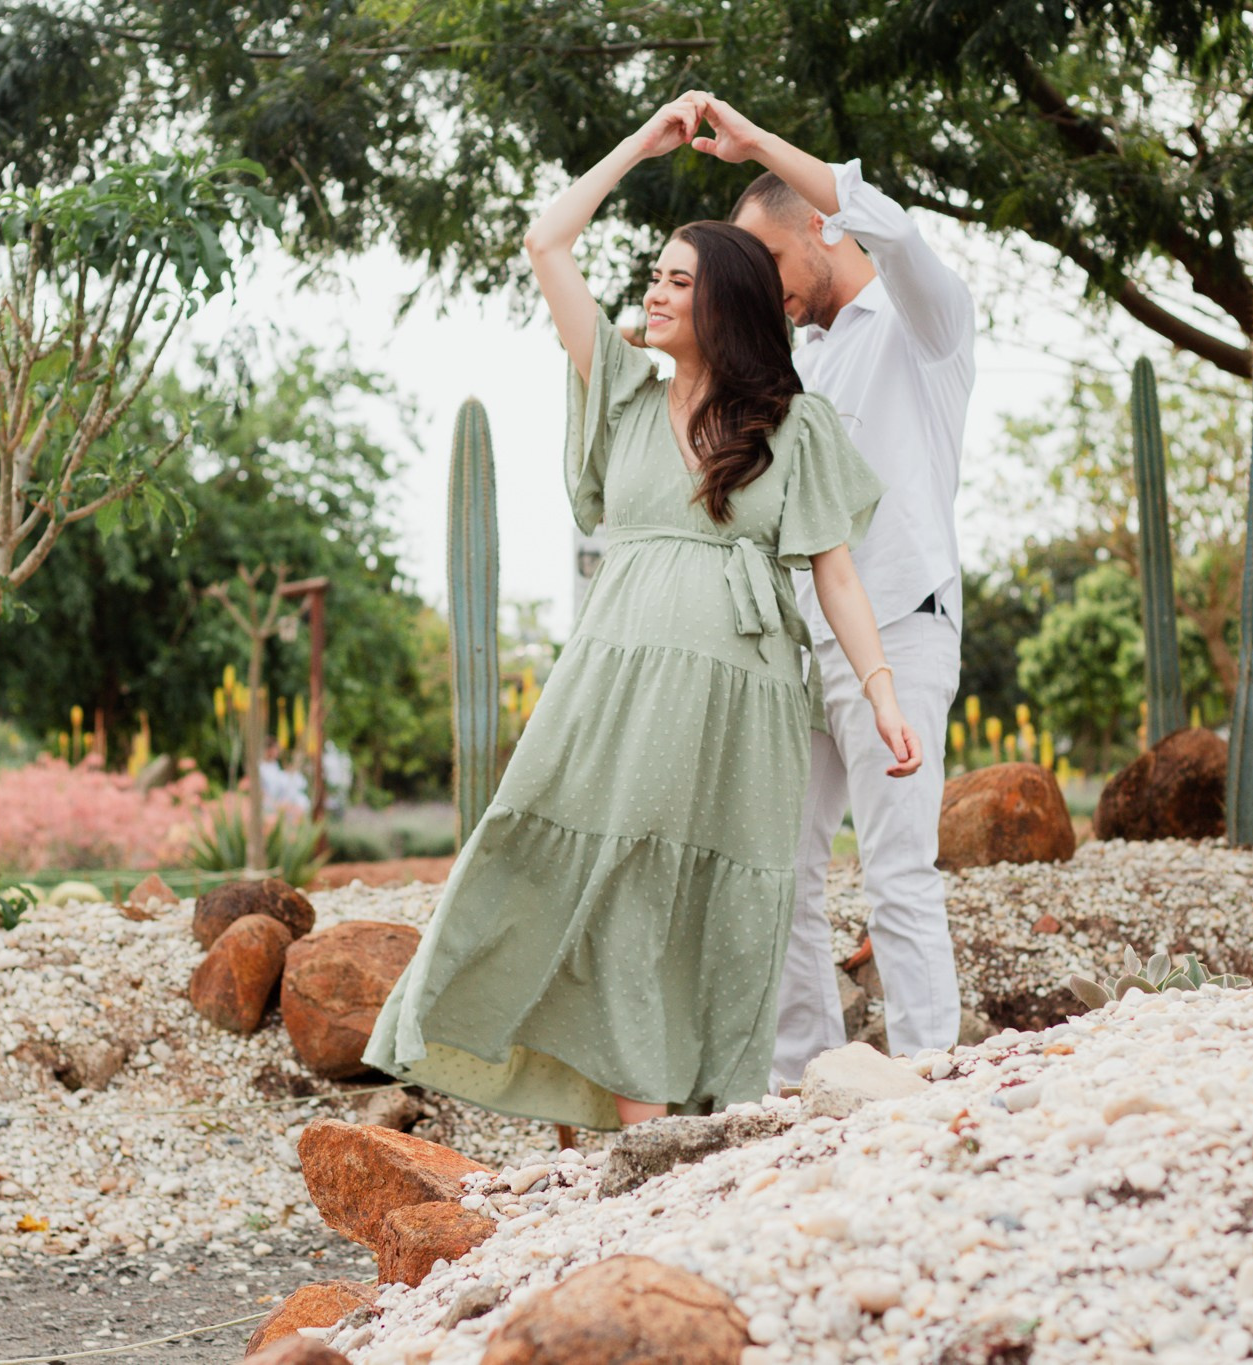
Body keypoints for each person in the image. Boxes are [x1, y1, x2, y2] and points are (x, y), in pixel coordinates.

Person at [362, 92, 923, 1130]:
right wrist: (638, 145)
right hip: (618, 676)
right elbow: (546, 239)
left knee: (697, 902)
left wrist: (881, 695)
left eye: (676, 281)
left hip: (744, 691)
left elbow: (834, 574)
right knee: (590, 867)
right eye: (653, 277)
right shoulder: (618, 388)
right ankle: (627, 1124)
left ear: (729, 305)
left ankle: (667, 1128)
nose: (654, 294)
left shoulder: (792, 427)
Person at [700, 95, 977, 1082]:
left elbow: (890, 227)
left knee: (897, 869)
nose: (763, 292)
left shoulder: (924, 327)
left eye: (767, 263)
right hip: (802, 644)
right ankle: (803, 1081)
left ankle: (928, 1074)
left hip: (898, 630)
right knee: (780, 869)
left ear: (821, 231)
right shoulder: (800, 363)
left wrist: (753, 140)